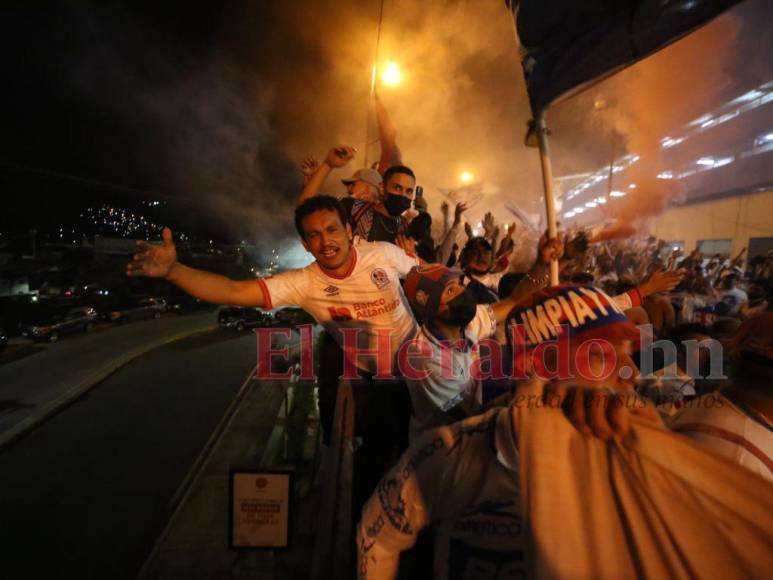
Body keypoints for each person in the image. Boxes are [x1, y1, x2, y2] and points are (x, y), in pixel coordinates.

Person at [126, 195, 422, 509]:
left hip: (421, 363)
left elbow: (426, 278)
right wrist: (174, 272)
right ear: (306, 245)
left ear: (349, 230)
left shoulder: (382, 254)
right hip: (375, 377)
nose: (325, 241)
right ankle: (368, 524)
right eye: (314, 235)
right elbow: (233, 290)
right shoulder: (305, 283)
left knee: (431, 442)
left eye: (332, 230)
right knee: (381, 450)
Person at [356, 284, 646, 579]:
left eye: (628, 354)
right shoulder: (447, 456)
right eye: (601, 355)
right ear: (537, 365)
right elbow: (377, 538)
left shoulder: (638, 459)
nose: (633, 374)